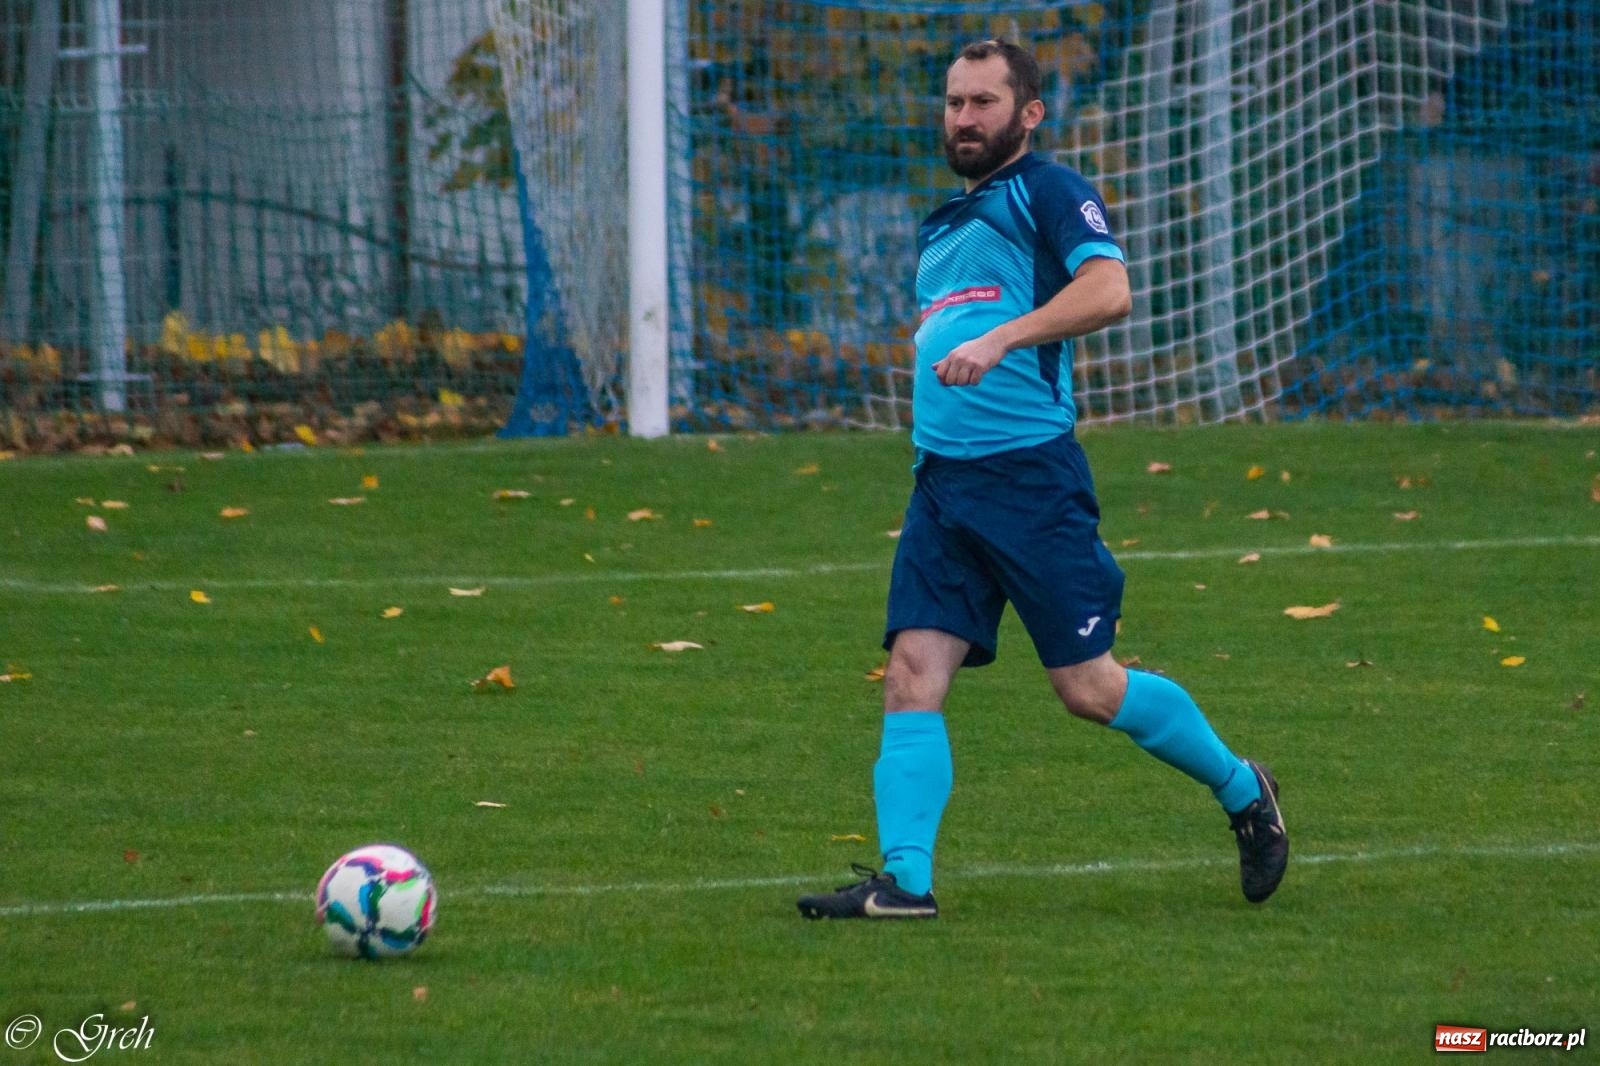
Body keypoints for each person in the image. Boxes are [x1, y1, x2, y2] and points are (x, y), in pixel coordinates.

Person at [796, 39, 1288, 920]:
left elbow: (1110, 291)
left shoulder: (1049, 190)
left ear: (1028, 114)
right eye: (954, 102)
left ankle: (1243, 789)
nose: (964, 118)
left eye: (984, 102)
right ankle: (905, 883)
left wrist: (1001, 338)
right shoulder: (944, 223)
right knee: (911, 672)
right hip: (943, 487)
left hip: (1030, 482)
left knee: (1089, 689)